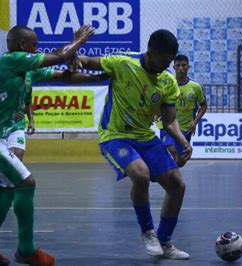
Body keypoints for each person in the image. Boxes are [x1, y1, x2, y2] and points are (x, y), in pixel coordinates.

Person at [0, 24, 95, 266]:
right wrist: (79, 40)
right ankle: (26, 251)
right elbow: (61, 55)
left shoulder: (27, 70)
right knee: (25, 182)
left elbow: (64, 75)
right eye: (34, 45)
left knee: (10, 187)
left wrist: (105, 77)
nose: (37, 49)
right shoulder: (10, 60)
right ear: (22, 46)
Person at [72, 29, 192, 259]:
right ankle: (148, 232)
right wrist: (75, 47)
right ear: (150, 53)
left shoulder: (167, 81)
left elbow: (170, 121)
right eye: (162, 61)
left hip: (144, 136)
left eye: (169, 62)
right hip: (115, 135)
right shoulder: (122, 63)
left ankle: (165, 242)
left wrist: (181, 141)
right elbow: (86, 62)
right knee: (140, 174)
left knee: (177, 185)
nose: (165, 67)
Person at [7, 69, 110, 161]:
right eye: (33, 47)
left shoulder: (32, 73)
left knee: (17, 157)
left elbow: (28, 102)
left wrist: (31, 120)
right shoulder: (4, 72)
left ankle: (8, 181)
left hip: (17, 125)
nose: (36, 51)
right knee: (7, 159)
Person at [157, 54, 207, 167]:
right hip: (167, 125)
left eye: (184, 65)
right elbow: (158, 101)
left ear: (188, 67)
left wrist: (195, 122)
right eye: (178, 65)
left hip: (185, 128)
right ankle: (170, 176)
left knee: (181, 161)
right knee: (172, 149)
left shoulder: (195, 87)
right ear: (174, 68)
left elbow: (203, 105)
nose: (181, 68)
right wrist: (156, 113)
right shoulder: (167, 85)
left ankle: (173, 172)